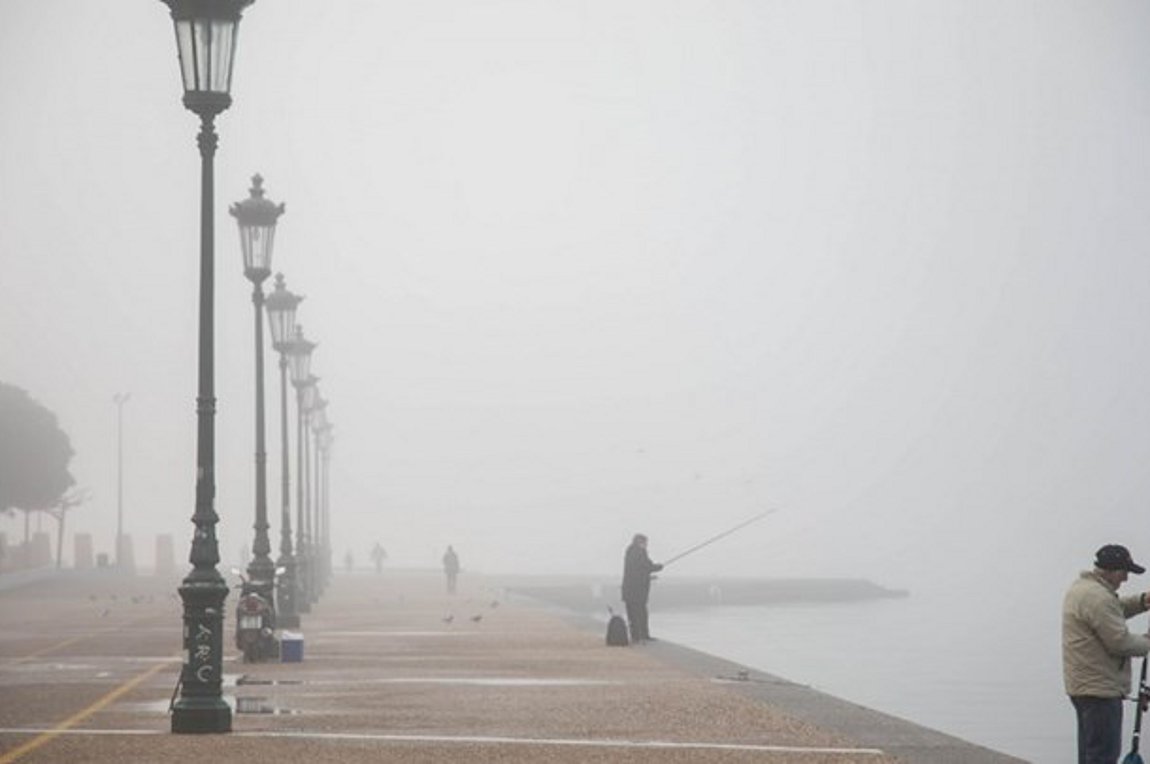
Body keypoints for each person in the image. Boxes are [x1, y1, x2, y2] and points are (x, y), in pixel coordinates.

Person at [1063, 544, 1150, 763]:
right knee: (1103, 756)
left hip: (1084, 687)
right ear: (1111, 570)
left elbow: (1113, 609)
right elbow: (1121, 643)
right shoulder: (1098, 598)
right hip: (1100, 691)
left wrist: (1142, 601)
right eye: (1124, 572)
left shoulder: (1085, 589)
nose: (1126, 579)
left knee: (1090, 754)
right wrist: (1148, 642)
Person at [621, 533, 663, 643]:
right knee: (640, 613)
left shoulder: (630, 552)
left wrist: (649, 576)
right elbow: (646, 566)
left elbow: (638, 571)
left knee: (632, 614)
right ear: (640, 542)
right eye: (645, 543)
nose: (646, 545)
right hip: (637, 592)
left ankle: (636, 636)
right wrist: (658, 567)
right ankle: (643, 635)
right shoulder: (640, 552)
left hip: (629, 590)